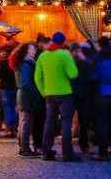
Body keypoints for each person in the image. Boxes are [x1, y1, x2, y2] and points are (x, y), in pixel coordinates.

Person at [35, 31, 81, 161]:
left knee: (49, 121)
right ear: (63, 42)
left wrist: (43, 91)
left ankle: (46, 151)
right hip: (65, 92)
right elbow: (73, 74)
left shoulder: (43, 56)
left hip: (49, 93)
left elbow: (37, 77)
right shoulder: (65, 54)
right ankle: (67, 153)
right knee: (66, 121)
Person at [15, 43, 42, 157]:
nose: (34, 51)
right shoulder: (26, 64)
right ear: (26, 51)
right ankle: (25, 149)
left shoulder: (23, 62)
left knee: (23, 123)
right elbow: (26, 82)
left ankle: (23, 148)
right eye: (32, 49)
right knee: (25, 123)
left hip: (23, 94)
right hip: (26, 96)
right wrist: (36, 94)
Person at [71, 42, 94, 155]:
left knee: (72, 120)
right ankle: (83, 144)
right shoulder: (86, 63)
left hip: (72, 94)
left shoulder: (74, 62)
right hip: (83, 94)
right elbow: (91, 77)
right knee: (83, 121)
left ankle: (74, 144)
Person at [0, 42, 19, 137]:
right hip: (15, 87)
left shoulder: (4, 63)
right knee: (14, 108)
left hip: (5, 87)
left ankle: (8, 128)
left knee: (7, 108)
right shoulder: (17, 62)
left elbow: (0, 75)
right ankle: (14, 127)